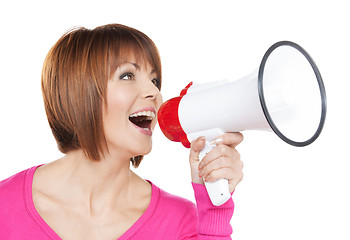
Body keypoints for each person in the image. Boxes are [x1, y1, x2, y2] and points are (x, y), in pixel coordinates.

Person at [0, 24, 244, 239]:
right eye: (127, 75)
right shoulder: (4, 206)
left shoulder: (182, 223)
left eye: (155, 80)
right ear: (78, 93)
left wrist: (215, 211)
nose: (154, 92)